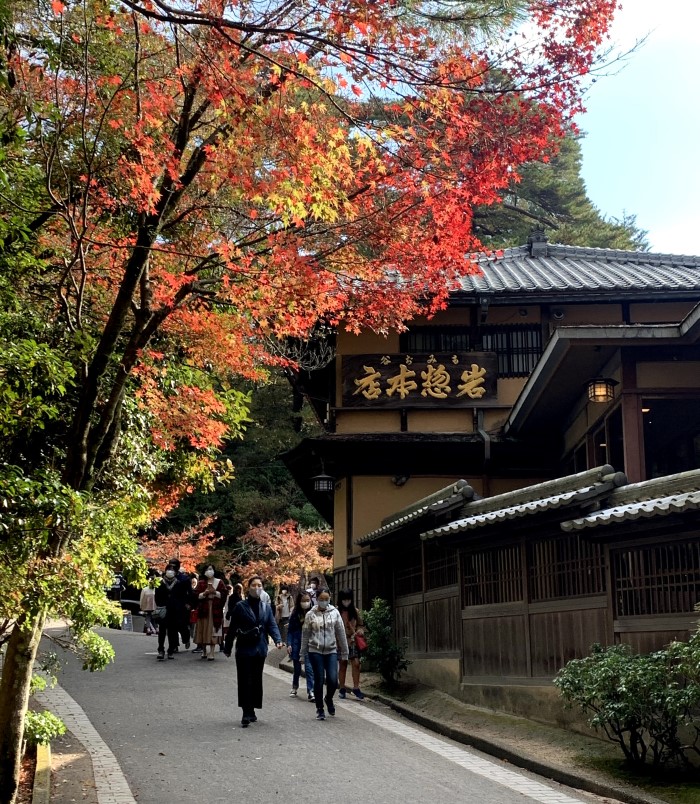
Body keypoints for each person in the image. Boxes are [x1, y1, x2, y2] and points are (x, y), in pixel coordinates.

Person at [228, 576, 283, 727]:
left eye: (259, 585)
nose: (257, 588)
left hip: (260, 648)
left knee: (256, 680)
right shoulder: (240, 606)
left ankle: (252, 709)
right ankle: (246, 711)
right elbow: (233, 627)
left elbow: (271, 625)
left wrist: (278, 639)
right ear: (248, 588)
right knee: (245, 680)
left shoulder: (265, 607)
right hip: (245, 648)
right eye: (254, 585)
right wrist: (227, 646)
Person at [301, 588, 348, 720]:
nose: (324, 601)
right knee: (319, 679)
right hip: (315, 650)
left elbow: (341, 633)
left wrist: (345, 652)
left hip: (331, 650)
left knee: (333, 680)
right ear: (316, 599)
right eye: (321, 599)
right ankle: (319, 708)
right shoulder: (310, 614)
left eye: (326, 599)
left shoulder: (335, 613)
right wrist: (302, 653)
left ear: (330, 598)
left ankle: (328, 698)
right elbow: (305, 635)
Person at [194, 564, 228, 661]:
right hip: (204, 609)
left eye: (211, 569)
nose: (210, 571)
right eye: (208, 569)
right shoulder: (201, 583)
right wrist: (204, 593)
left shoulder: (219, 582)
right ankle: (204, 650)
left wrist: (215, 592)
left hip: (215, 609)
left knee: (214, 629)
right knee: (203, 629)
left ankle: (212, 651)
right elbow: (196, 595)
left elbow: (224, 594)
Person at [286, 592, 315, 701]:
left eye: (308, 600)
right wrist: (289, 644)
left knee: (309, 668)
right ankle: (294, 686)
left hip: (309, 643)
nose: (306, 603)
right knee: (297, 668)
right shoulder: (295, 614)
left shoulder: (313, 613)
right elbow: (290, 631)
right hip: (297, 643)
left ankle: (311, 691)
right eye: (303, 601)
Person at [337, 589, 365, 700]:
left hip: (352, 641)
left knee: (356, 663)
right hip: (341, 641)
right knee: (343, 663)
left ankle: (356, 687)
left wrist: (360, 631)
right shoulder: (336, 612)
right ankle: (342, 688)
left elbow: (361, 625)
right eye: (344, 599)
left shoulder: (355, 611)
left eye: (348, 599)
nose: (346, 601)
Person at [154, 565, 182, 660]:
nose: (170, 572)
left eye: (172, 570)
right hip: (163, 610)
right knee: (162, 631)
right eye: (168, 570)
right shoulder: (160, 583)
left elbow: (180, 597)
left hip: (173, 611)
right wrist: (160, 606)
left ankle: (171, 650)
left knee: (172, 632)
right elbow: (157, 597)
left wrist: (178, 607)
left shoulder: (178, 583)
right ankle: (161, 650)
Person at [166, 558, 192, 650]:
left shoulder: (184, 579)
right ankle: (173, 645)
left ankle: (186, 638)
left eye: (174, 565)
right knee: (171, 626)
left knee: (182, 625)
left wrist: (189, 603)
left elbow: (190, 592)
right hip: (170, 605)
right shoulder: (166, 578)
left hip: (181, 605)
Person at [222, 583, 244, 656]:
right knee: (231, 635)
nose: (238, 590)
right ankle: (227, 650)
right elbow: (230, 606)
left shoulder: (241, 597)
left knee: (234, 635)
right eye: (237, 589)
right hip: (234, 616)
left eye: (239, 589)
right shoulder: (233, 597)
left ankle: (231, 650)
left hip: (239, 617)